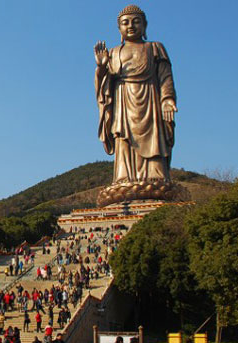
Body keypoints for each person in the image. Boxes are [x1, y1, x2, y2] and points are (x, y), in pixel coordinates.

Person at [94, 5, 178, 205]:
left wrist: (167, 100)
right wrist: (102, 68)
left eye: (136, 21)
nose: (130, 26)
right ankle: (124, 178)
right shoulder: (114, 52)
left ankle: (156, 177)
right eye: (125, 22)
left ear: (145, 25)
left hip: (150, 99)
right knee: (124, 140)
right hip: (123, 102)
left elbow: (166, 78)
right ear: (119, 28)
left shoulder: (155, 48)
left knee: (154, 140)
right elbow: (104, 87)